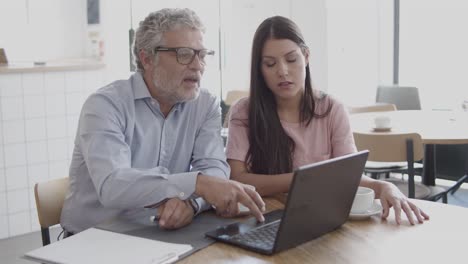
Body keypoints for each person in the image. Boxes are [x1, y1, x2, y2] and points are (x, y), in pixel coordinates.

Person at [61, 8, 265, 235]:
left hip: (160, 233)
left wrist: (192, 203)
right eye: (185, 54)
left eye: (202, 54)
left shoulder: (205, 104)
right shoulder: (105, 105)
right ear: (147, 58)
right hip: (92, 240)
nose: (198, 65)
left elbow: (214, 168)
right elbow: (113, 185)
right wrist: (197, 184)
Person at [226, 16, 429, 225]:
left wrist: (385, 187)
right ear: (259, 69)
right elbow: (237, 179)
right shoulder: (244, 111)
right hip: (263, 220)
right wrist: (305, 179)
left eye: (291, 59)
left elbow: (348, 177)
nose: (282, 71)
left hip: (320, 219)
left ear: (306, 56)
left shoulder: (332, 109)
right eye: (270, 64)